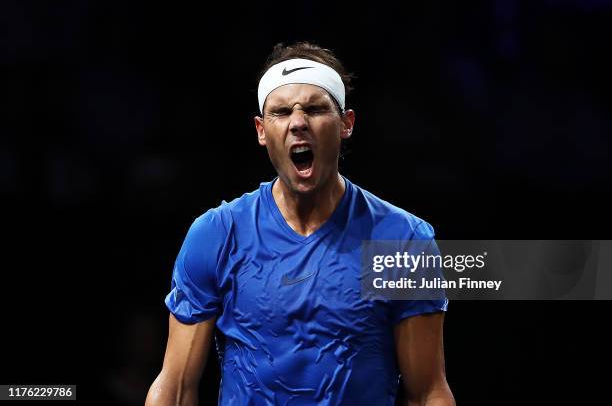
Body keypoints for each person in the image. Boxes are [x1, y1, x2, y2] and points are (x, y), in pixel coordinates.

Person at [145, 42, 455, 406]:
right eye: (281, 112)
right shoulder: (216, 234)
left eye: (314, 108)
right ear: (262, 130)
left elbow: (427, 392)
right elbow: (176, 388)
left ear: (346, 124)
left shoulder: (403, 240)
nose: (297, 122)